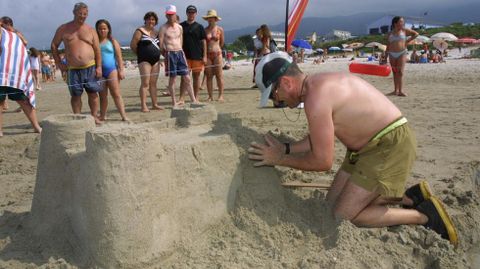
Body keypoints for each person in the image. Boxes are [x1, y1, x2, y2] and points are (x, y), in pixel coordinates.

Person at [248, 51, 458, 247]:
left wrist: (278, 159)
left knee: (344, 214)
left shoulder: (316, 98)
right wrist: (285, 148)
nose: (277, 101)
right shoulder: (318, 84)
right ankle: (411, 197)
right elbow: (316, 138)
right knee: (331, 204)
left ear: (286, 82)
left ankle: (426, 215)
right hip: (364, 149)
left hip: (388, 145)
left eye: (274, 94)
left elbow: (322, 161)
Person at [51, 2, 103, 125]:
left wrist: (99, 66)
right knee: (75, 95)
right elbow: (54, 45)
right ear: (74, 13)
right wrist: (59, 63)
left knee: (93, 93)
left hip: (90, 66)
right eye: (80, 13)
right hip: (72, 68)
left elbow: (97, 49)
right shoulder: (63, 28)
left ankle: (94, 116)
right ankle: (78, 117)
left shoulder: (90, 30)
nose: (83, 16)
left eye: (85, 14)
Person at [0, 18, 42, 136]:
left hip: (14, 74)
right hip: (1, 73)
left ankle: (36, 126)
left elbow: (25, 43)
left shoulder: (15, 35)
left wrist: (14, 32)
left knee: (23, 100)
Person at [158, 4, 198, 107]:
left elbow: (181, 41)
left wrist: (179, 51)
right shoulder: (163, 28)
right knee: (173, 79)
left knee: (187, 77)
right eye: (169, 15)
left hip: (180, 52)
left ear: (175, 15)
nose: (171, 17)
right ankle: (174, 102)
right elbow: (161, 44)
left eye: (172, 15)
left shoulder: (179, 27)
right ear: (166, 15)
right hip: (170, 53)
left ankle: (193, 99)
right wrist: (165, 54)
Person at [95, 19, 128, 121]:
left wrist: (121, 70)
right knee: (102, 95)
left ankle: (123, 116)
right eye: (100, 29)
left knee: (116, 93)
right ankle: (103, 116)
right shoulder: (95, 42)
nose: (102, 31)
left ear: (108, 29)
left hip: (112, 70)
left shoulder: (113, 42)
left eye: (104, 28)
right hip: (100, 72)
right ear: (97, 30)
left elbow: (119, 57)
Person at [130, 11, 162, 112]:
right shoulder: (140, 31)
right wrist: (140, 55)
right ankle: (143, 105)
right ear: (145, 20)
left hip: (156, 60)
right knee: (145, 83)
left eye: (153, 19)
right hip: (144, 61)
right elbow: (133, 45)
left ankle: (154, 104)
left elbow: (160, 46)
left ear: (155, 21)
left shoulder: (157, 32)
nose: (151, 21)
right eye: (149, 19)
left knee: (153, 83)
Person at [179, 5, 207, 101]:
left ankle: (196, 97)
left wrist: (205, 56)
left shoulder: (200, 27)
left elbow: (204, 42)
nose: (191, 14)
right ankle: (181, 98)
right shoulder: (181, 26)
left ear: (196, 14)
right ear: (186, 13)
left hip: (197, 56)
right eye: (189, 12)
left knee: (196, 77)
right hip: (184, 56)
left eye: (193, 12)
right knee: (184, 78)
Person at [386, 16, 419, 97]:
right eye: (401, 22)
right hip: (392, 54)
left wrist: (407, 41)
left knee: (400, 72)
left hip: (402, 52)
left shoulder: (404, 31)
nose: (403, 23)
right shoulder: (390, 33)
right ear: (395, 23)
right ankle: (395, 90)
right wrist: (385, 55)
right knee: (394, 72)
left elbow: (416, 34)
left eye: (403, 22)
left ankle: (400, 91)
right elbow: (388, 45)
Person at [203, 9, 225, 102]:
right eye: (208, 18)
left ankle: (221, 95)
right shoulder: (204, 30)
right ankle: (210, 96)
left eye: (211, 18)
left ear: (215, 19)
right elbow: (203, 44)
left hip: (217, 54)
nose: (210, 19)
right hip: (208, 54)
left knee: (219, 75)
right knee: (209, 76)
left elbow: (222, 43)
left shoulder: (220, 29)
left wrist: (217, 49)